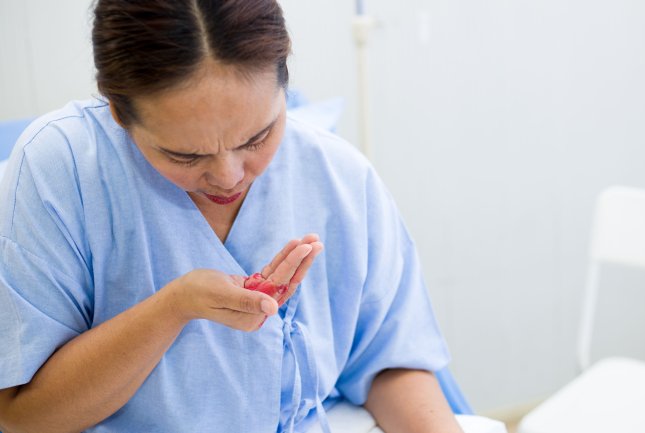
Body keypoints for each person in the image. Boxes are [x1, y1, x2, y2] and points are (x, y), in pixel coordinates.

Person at [0, 1, 462, 432]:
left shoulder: (338, 176)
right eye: (184, 155)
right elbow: (21, 416)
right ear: (119, 112)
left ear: (284, 78)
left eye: (258, 137)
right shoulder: (59, 171)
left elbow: (388, 362)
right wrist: (172, 308)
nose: (228, 177)